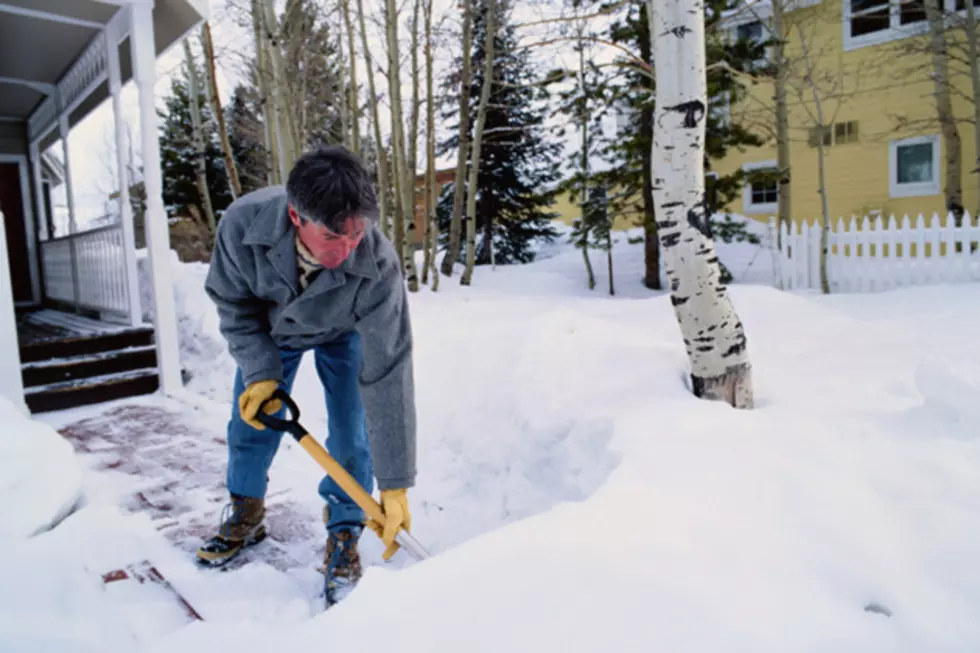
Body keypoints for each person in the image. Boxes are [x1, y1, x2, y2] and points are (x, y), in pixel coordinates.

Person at [196, 145, 417, 599]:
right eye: (335, 237)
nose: (349, 246)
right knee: (250, 426)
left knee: (351, 434)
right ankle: (247, 512)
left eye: (357, 234)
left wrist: (394, 485)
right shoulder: (242, 225)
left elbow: (388, 370)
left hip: (344, 330)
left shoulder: (376, 261)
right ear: (297, 217)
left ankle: (345, 530)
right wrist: (261, 371)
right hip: (272, 335)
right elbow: (233, 303)